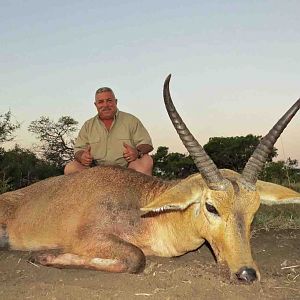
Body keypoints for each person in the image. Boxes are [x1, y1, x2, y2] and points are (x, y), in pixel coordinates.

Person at [64, 87, 153, 176]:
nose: (105, 105)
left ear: (116, 102)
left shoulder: (131, 120)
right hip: (94, 172)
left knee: (146, 161)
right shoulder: (88, 125)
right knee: (71, 168)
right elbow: (78, 150)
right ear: (96, 105)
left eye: (109, 100)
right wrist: (82, 156)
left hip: (127, 170)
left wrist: (137, 152)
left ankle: (136, 189)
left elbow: (147, 144)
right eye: (101, 102)